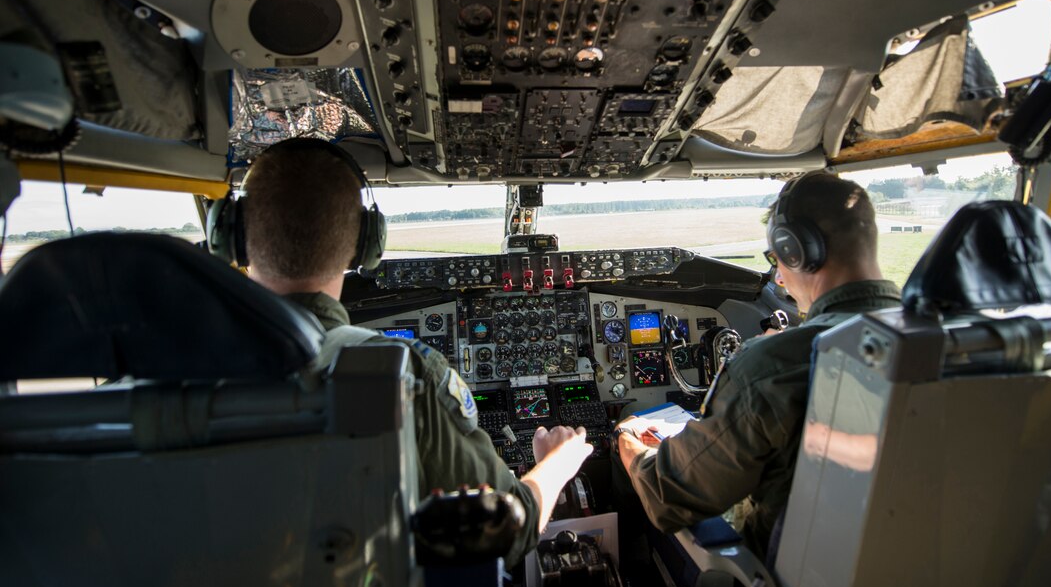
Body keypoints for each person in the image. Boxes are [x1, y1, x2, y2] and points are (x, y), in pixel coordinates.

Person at [240, 138, 593, 565]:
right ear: (366, 244)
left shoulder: (157, 369)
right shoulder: (404, 372)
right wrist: (557, 462)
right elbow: (509, 529)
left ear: (230, 235)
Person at [614, 172, 901, 559]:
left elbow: (669, 496)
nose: (778, 279)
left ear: (795, 250)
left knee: (631, 430)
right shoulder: (948, 340)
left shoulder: (772, 366)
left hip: (781, 574)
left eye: (776, 260)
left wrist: (629, 446)